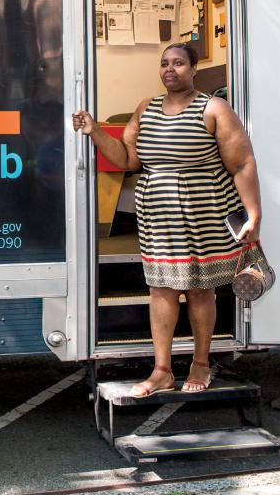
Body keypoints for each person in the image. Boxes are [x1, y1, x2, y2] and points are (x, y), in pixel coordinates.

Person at [72, 43, 261, 396]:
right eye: (164, 64)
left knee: (200, 289)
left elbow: (242, 163)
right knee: (160, 289)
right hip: (158, 216)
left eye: (178, 63)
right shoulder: (147, 108)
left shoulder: (213, 108)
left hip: (204, 212)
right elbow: (127, 159)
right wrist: (95, 130)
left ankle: (201, 364)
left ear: (194, 69)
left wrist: (254, 214)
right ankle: (161, 371)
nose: (170, 69)